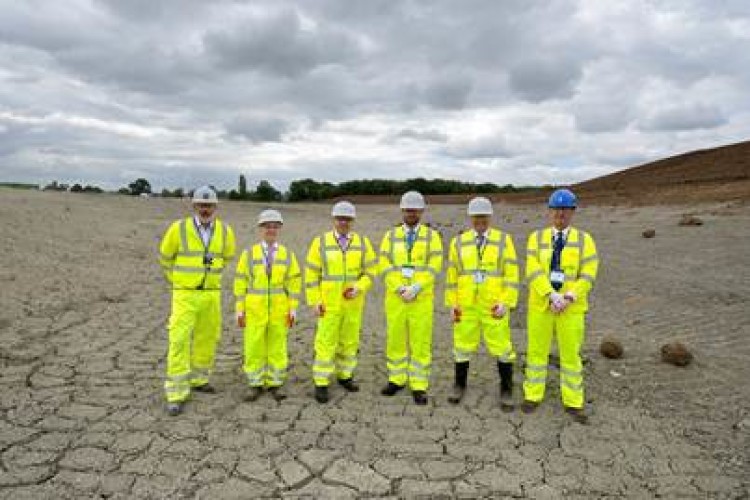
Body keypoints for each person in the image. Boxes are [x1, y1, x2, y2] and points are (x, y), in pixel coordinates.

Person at [522, 188, 599, 424]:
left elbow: (589, 274)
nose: (560, 214)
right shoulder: (536, 238)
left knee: (571, 356)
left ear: (573, 211)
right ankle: (532, 395)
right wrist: (550, 295)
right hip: (541, 306)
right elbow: (533, 270)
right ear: (550, 211)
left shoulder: (585, 240)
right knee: (536, 352)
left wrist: (568, 296)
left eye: (565, 210)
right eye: (556, 209)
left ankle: (573, 402)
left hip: (570, 308)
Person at [158, 186, 236, 416]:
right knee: (179, 340)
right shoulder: (178, 229)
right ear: (194, 206)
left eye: (209, 205)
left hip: (211, 294)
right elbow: (165, 258)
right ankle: (176, 393)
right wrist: (178, 282)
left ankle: (200, 379)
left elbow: (227, 257)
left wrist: (211, 274)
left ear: (215, 207)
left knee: (208, 338)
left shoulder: (224, 231)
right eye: (201, 205)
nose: (205, 209)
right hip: (184, 294)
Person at [445, 197, 520, 411]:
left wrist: (506, 303)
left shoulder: (504, 241)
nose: (480, 221)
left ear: (490, 217)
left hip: (493, 305)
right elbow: (452, 276)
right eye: (476, 217)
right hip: (466, 306)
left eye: (484, 217)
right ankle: (459, 385)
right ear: (470, 217)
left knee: (503, 348)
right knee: (461, 347)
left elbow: (512, 275)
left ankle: (506, 389)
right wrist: (453, 304)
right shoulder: (458, 242)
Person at [305, 201, 377, 403]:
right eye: (340, 219)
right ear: (333, 220)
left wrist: (359, 287)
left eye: (347, 219)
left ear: (352, 221)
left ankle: (345, 376)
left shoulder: (362, 243)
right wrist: (314, 301)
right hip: (328, 305)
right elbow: (311, 274)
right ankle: (321, 383)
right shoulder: (320, 243)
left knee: (349, 342)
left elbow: (371, 272)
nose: (343, 222)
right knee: (325, 343)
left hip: (353, 304)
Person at [378, 191, 443, 405]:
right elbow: (384, 265)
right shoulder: (391, 236)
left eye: (414, 210)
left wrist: (416, 287)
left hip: (421, 299)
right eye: (407, 210)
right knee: (395, 340)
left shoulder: (432, 237)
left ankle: (418, 385)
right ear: (402, 211)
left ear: (421, 211)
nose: (410, 213)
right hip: (396, 299)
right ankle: (396, 379)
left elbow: (435, 266)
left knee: (420, 342)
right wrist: (399, 288)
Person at [234, 209, 301, 402]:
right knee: (254, 346)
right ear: (260, 228)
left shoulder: (288, 255)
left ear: (279, 228)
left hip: (279, 310)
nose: (270, 230)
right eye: (267, 226)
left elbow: (294, 283)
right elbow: (240, 282)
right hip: (254, 310)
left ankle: (275, 383)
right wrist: (240, 310)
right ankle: (255, 384)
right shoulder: (249, 254)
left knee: (277, 347)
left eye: (274, 226)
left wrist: (293, 308)